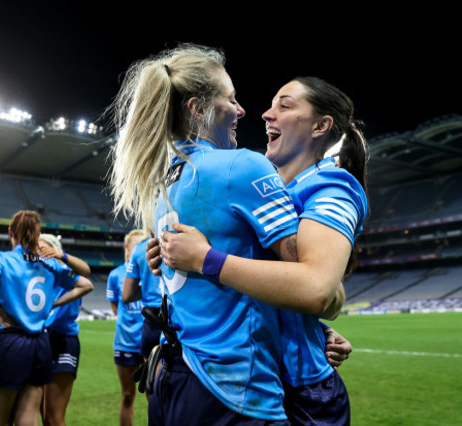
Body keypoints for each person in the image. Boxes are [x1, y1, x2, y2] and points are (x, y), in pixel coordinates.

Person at [110, 43, 311, 424]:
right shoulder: (241, 166)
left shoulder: (164, 181)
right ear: (198, 108)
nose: (241, 110)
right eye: (230, 99)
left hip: (175, 376)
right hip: (234, 389)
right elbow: (308, 275)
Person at [157, 76, 369, 424]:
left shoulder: (333, 188)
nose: (265, 115)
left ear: (321, 126)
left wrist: (204, 258)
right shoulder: (273, 189)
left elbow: (318, 288)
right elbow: (283, 282)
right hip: (263, 376)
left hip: (302, 389)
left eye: (284, 106)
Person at [0, 210, 94, 426]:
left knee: (0, 421)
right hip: (40, 344)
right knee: (29, 417)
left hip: (7, 342)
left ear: (10, 232)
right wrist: (52, 303)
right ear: (37, 233)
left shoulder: (3, 259)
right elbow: (86, 284)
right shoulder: (49, 264)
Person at [38, 233, 92, 426]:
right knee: (44, 415)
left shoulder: (66, 272)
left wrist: (61, 255)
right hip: (42, 339)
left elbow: (86, 271)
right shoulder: (41, 274)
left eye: (43, 248)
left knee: (54, 416)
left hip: (64, 341)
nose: (39, 252)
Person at [107, 229, 148, 426]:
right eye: (136, 244)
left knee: (153, 394)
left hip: (150, 342)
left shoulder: (153, 272)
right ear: (127, 247)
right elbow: (115, 307)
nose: (140, 247)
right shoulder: (116, 275)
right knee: (127, 395)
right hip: (125, 343)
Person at [122, 232, 163, 362]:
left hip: (153, 319)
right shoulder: (180, 239)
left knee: (150, 376)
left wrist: (147, 287)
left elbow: (126, 295)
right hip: (180, 317)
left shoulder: (140, 248)